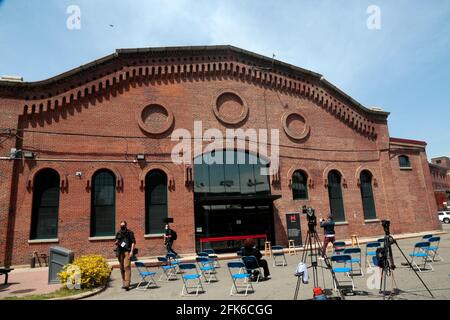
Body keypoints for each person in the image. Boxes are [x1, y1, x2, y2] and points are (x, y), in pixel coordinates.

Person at [114, 221, 136, 291]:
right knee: (121, 268)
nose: (122, 226)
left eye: (123, 225)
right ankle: (124, 282)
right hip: (120, 252)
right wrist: (116, 242)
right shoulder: (118, 233)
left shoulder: (130, 233)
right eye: (121, 225)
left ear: (126, 225)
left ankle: (127, 284)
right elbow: (116, 241)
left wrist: (132, 251)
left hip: (127, 252)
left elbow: (133, 242)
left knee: (126, 266)